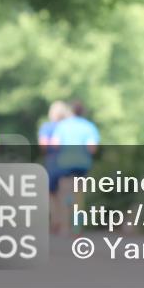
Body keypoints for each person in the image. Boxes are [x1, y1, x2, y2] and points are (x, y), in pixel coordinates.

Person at [50, 100, 100, 236]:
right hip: (82, 165)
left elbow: (55, 144)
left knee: (65, 194)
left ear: (71, 111)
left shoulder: (62, 126)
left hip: (65, 164)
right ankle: (77, 227)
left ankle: (65, 226)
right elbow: (92, 148)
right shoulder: (89, 127)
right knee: (78, 196)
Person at [39, 101, 71, 233]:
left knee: (51, 193)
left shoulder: (47, 127)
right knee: (66, 193)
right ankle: (65, 223)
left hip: (53, 161)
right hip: (68, 161)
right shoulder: (69, 126)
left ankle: (56, 220)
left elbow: (43, 145)